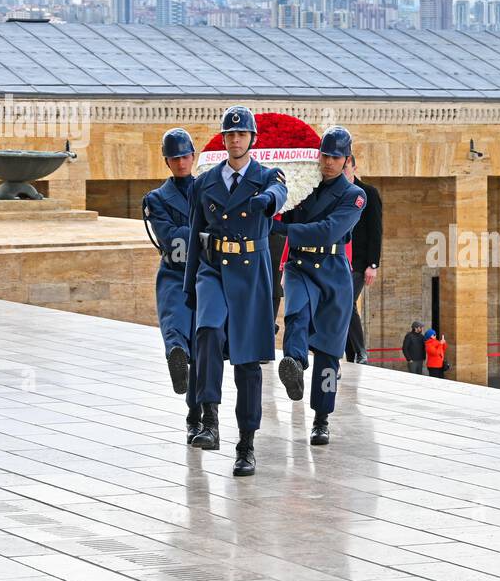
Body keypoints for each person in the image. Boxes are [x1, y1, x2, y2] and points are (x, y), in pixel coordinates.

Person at [183, 106, 288, 477]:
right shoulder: (206, 181)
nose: (236, 140)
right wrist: (189, 287)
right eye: (230, 135)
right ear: (224, 140)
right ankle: (209, 421)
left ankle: (246, 445)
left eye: (242, 135)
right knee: (207, 330)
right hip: (213, 269)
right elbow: (196, 233)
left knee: (246, 362)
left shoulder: (265, 176)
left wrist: (268, 200)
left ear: (252, 139)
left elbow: (280, 190)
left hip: (250, 273)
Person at [275, 125, 367, 447]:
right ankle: (295, 364)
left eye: (336, 157)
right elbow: (282, 214)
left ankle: (321, 420)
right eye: (325, 155)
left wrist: (286, 231)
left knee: (329, 350)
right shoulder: (305, 187)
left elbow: (329, 230)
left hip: (333, 270)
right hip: (300, 265)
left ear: (346, 159)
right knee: (296, 313)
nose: (329, 162)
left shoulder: (355, 196)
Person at [142, 127, 200, 444]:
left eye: (185, 156)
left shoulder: (210, 189)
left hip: (206, 275)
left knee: (204, 346)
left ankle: (199, 417)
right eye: (175, 157)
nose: (181, 162)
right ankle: (175, 357)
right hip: (175, 273)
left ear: (193, 156)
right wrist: (205, 236)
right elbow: (172, 238)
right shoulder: (157, 198)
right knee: (175, 327)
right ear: (167, 161)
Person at [343, 155, 382, 364]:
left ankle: (360, 352)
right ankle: (351, 354)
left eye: (346, 166)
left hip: (359, 261)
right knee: (342, 304)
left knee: (346, 301)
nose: (343, 171)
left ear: (353, 166)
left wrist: (373, 264)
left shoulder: (369, 193)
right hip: (341, 259)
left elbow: (376, 231)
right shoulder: (336, 192)